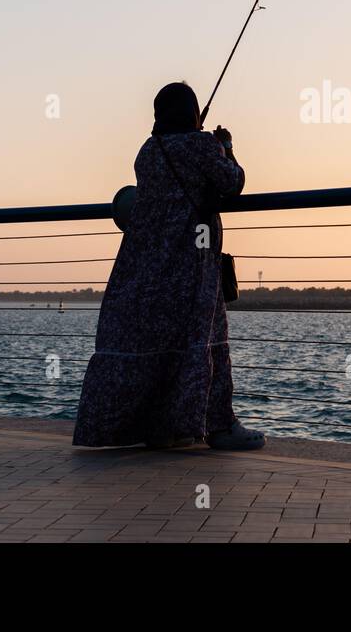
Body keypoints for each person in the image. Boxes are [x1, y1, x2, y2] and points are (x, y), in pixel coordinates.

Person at [72, 81, 265, 450]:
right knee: (203, 338)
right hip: (191, 261)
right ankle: (218, 425)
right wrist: (226, 146)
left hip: (147, 262)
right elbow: (232, 182)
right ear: (192, 112)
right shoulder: (201, 145)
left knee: (156, 341)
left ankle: (160, 427)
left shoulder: (147, 151)